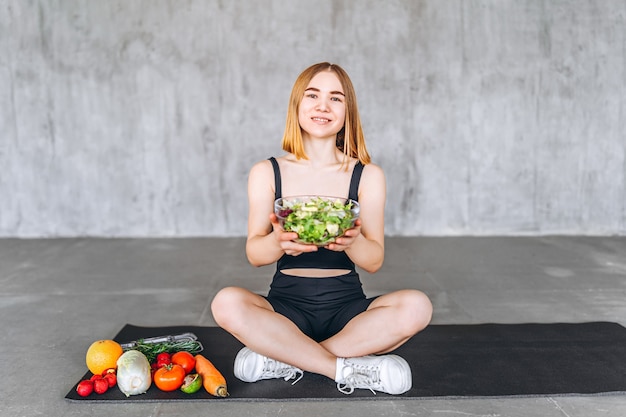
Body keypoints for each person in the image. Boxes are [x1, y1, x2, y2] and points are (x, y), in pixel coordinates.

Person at [211, 62, 432, 395]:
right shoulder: (267, 172)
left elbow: (374, 260)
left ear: (348, 111)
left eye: (335, 98)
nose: (322, 106)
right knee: (225, 302)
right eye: (312, 95)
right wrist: (279, 242)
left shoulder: (368, 175)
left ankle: (285, 358)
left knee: (418, 306)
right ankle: (341, 368)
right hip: (286, 307)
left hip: (347, 309)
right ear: (297, 105)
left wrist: (352, 240)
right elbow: (255, 254)